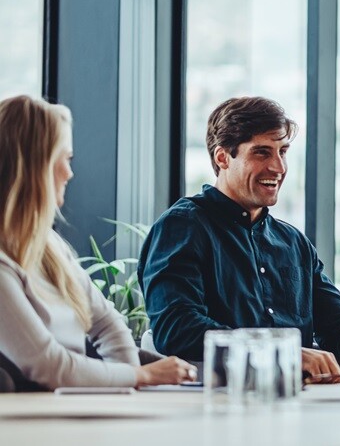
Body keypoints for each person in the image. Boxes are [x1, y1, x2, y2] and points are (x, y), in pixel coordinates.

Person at [138, 96, 340, 382]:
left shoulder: (293, 242)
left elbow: (338, 319)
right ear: (223, 158)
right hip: (215, 407)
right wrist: (282, 352)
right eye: (261, 153)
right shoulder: (182, 227)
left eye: (283, 152)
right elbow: (177, 329)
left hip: (299, 405)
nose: (279, 167)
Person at [0, 95, 198, 391]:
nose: (70, 173)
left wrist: (126, 384)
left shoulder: (48, 246)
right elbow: (48, 365)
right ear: (33, 168)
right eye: (63, 159)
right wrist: (141, 376)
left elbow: (106, 322)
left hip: (67, 408)